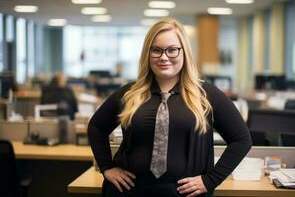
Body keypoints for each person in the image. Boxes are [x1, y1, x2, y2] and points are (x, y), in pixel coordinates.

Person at [88, 18, 252, 197]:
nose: (164, 57)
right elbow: (96, 127)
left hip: (184, 193)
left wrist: (211, 180)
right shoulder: (129, 93)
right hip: (130, 191)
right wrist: (107, 167)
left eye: (172, 50)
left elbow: (241, 139)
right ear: (147, 54)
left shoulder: (206, 95)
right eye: (156, 50)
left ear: (184, 52)